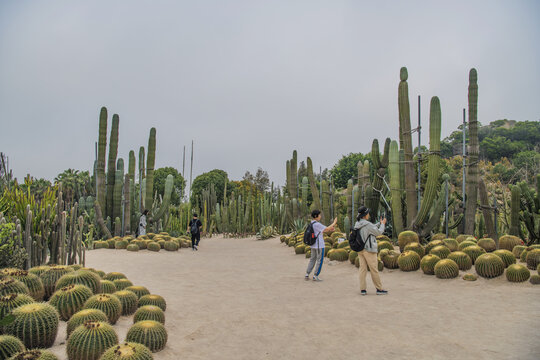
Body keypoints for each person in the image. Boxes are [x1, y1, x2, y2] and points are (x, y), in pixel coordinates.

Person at [355, 206, 388, 295]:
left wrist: (379, 223)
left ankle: (363, 289)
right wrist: (383, 224)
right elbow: (378, 232)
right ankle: (379, 289)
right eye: (368, 213)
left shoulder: (357, 223)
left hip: (360, 249)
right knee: (374, 269)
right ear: (365, 215)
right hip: (369, 249)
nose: (369, 214)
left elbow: (371, 228)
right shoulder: (368, 225)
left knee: (362, 269)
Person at [305, 210, 337, 282]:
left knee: (312, 259)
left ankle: (307, 273)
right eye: (319, 215)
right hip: (319, 245)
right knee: (319, 260)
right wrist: (334, 223)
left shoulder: (312, 223)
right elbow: (326, 228)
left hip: (313, 245)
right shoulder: (317, 224)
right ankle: (315, 275)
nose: (320, 216)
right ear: (316, 216)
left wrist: (330, 229)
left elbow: (323, 230)